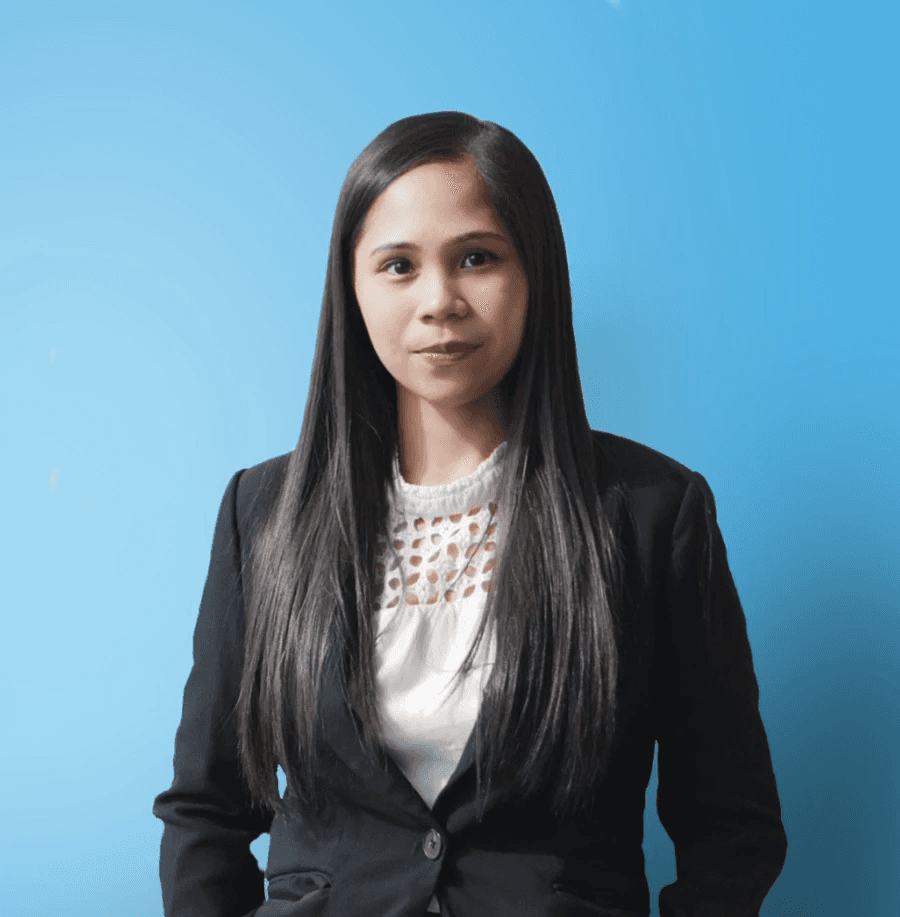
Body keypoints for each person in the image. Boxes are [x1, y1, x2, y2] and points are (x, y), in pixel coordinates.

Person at [153, 111, 787, 917]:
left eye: (476, 257)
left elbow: (730, 826)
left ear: (535, 274)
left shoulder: (654, 513)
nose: (439, 301)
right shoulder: (263, 514)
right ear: (351, 286)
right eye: (398, 265)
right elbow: (205, 810)